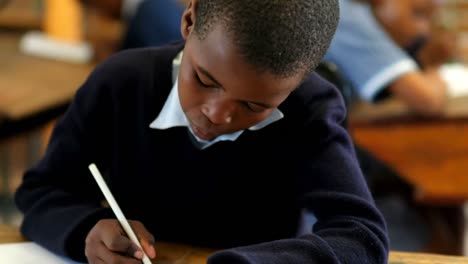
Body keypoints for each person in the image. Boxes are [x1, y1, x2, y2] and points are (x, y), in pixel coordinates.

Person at [15, 0, 389, 263]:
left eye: (254, 106)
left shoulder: (310, 108)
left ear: (297, 82)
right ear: (189, 21)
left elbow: (361, 234)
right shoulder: (120, 84)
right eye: (204, 79)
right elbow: (40, 193)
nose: (217, 114)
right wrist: (86, 230)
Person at [323, 0, 457, 115]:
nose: (423, 31)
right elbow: (429, 101)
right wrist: (432, 65)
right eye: (417, 13)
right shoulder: (347, 15)